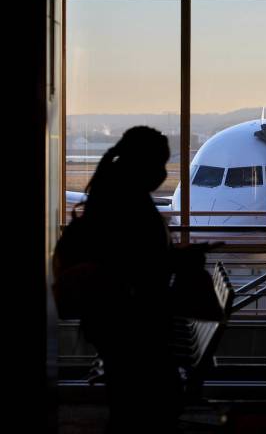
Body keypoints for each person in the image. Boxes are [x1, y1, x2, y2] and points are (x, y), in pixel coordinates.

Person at [53, 126, 198, 433]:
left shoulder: (110, 194)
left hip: (114, 318)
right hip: (131, 320)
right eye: (159, 163)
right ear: (141, 164)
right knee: (145, 404)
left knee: (127, 403)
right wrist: (179, 259)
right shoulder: (129, 204)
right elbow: (134, 264)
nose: (161, 173)